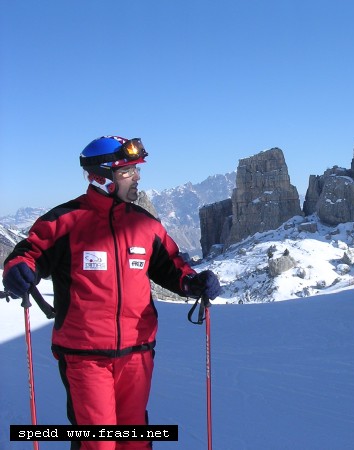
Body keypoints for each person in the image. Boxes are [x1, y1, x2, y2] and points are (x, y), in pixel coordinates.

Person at [2, 135, 222, 450]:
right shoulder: (64, 221)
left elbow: (172, 266)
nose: (137, 177)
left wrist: (194, 282)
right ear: (102, 177)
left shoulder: (145, 225)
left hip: (138, 352)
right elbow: (29, 253)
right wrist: (18, 269)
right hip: (85, 355)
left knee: (135, 440)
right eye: (127, 171)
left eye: (136, 169)